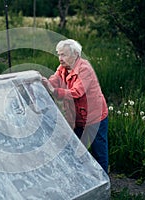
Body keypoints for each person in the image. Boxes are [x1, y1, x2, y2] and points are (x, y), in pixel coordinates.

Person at [42, 39, 109, 173]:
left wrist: (54, 91)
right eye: (59, 54)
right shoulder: (63, 67)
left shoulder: (85, 69)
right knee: (74, 147)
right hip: (77, 118)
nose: (60, 58)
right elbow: (54, 80)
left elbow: (77, 92)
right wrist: (43, 82)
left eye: (64, 55)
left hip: (94, 117)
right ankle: (81, 177)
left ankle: (104, 181)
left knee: (98, 150)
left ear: (76, 54)